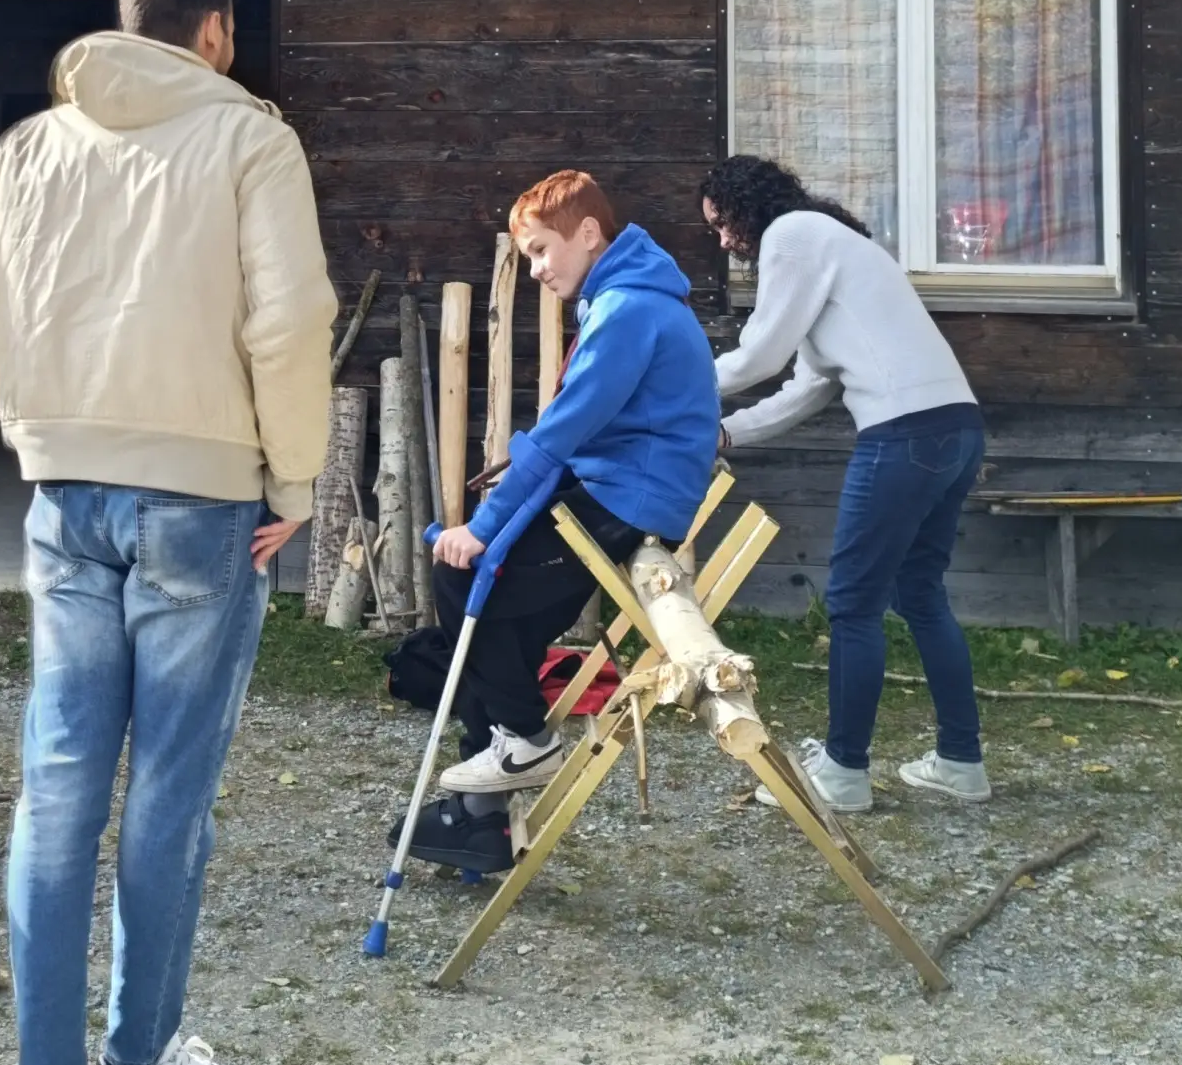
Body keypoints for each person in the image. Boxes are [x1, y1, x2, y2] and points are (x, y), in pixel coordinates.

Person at [0, 0, 333, 1065]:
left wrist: (37, 412)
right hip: (205, 499)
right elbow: (291, 315)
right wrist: (295, 479)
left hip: (65, 495)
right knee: (168, 793)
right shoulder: (253, 138)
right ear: (212, 34)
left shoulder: (39, 142)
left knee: (58, 791)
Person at [415, 171, 723, 797]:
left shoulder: (627, 308)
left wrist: (480, 528)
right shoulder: (625, 299)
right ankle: (484, 794)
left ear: (586, 233)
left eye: (539, 251)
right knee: (506, 615)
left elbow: (560, 432)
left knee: (460, 574)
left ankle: (524, 742)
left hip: (629, 496)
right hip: (619, 486)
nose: (533, 271)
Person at [701, 155, 988, 812]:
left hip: (904, 435)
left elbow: (758, 356)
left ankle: (844, 772)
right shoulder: (837, 246)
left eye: (722, 224)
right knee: (919, 591)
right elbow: (807, 384)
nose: (723, 241)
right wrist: (727, 433)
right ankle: (961, 761)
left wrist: (673, 383)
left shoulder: (791, 234)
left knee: (855, 603)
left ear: (748, 205)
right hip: (957, 427)